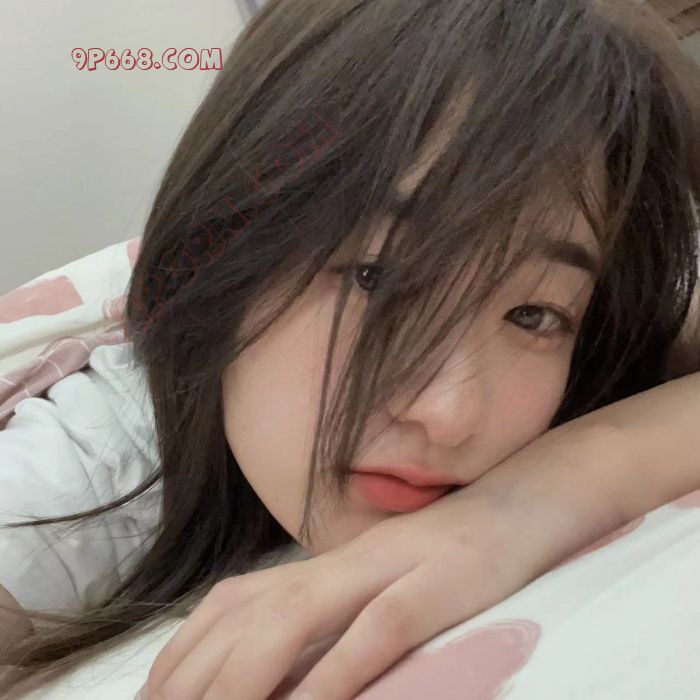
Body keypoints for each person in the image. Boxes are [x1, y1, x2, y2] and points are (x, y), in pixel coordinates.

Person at [1, 0, 700, 697]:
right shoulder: (99, 457)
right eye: (375, 277)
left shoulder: (600, 356)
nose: (448, 413)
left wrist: (532, 501)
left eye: (533, 313)